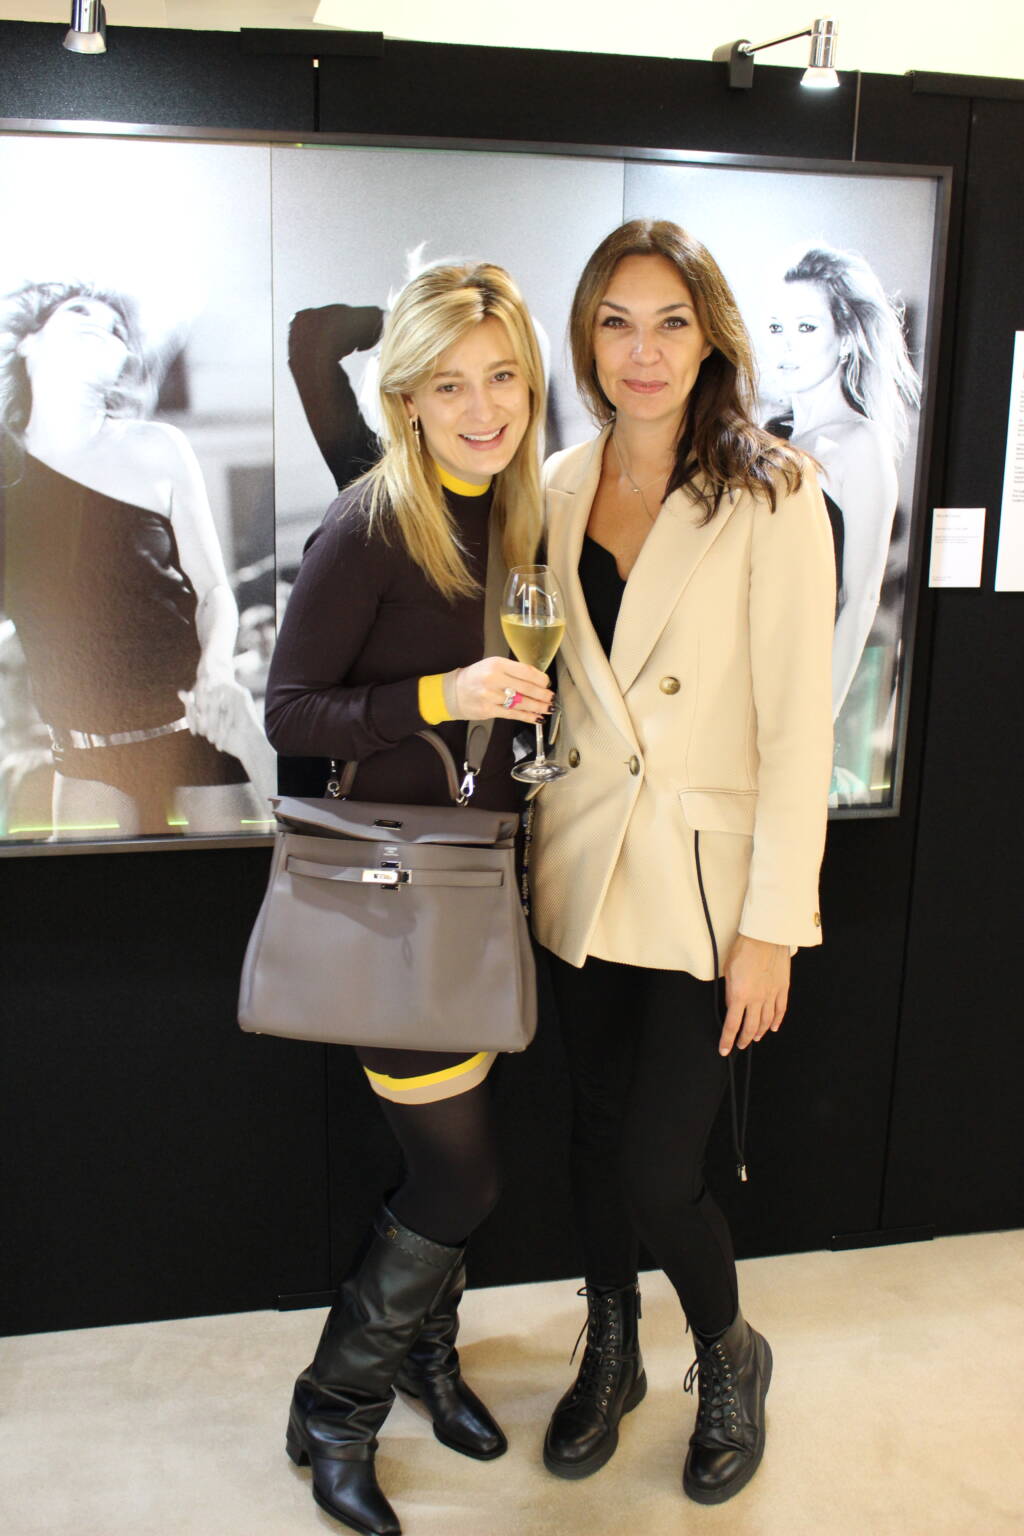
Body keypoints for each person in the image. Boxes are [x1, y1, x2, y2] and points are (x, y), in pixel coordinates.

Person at [529, 220, 835, 1506]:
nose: (641, 351)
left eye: (668, 322)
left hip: (703, 890)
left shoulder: (771, 490)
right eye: (615, 321)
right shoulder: (556, 482)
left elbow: (799, 728)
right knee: (592, 1140)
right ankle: (612, 1351)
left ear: (708, 334)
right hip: (580, 867)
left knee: (662, 1169)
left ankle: (727, 1351)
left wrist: (774, 926)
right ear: (586, 338)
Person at [263, 261, 551, 1536]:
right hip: (397, 897)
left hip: (479, 885)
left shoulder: (516, 513)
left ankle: (429, 1359)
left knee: (457, 1163)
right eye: (449, 385)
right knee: (460, 1181)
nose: (482, 408)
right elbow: (289, 712)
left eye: (502, 378)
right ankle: (336, 1405)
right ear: (407, 400)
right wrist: (444, 697)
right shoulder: (373, 522)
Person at [0, 280, 273, 841]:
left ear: (123, 362)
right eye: (79, 311)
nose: (100, 326)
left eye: (116, 329)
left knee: (232, 883)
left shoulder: (158, 447)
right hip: (85, 752)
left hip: (192, 731)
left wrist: (216, 669)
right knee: (98, 894)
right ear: (29, 342)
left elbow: (213, 591)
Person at [762, 245, 921, 720]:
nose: (786, 345)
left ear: (846, 337)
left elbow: (861, 598)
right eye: (777, 328)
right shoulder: (769, 435)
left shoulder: (861, 443)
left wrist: (819, 720)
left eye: (806, 328)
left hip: (797, 684)